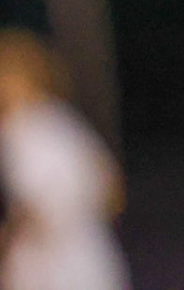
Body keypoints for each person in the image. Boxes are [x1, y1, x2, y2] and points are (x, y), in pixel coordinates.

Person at [0, 30, 129, 290]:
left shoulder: (22, 130)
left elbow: (35, 209)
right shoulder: (64, 121)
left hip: (49, 265)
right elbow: (113, 190)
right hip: (91, 256)